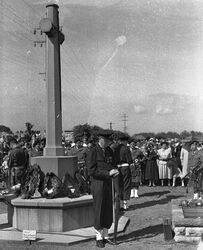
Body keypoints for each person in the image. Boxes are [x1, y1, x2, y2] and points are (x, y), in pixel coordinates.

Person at [86, 130, 119, 248]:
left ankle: (106, 235)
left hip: (109, 183)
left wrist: (115, 170)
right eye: (107, 140)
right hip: (98, 183)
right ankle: (99, 236)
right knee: (99, 208)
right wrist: (108, 173)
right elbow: (91, 171)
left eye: (109, 141)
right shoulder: (93, 151)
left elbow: (113, 164)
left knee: (108, 209)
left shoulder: (110, 150)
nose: (109, 143)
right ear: (101, 139)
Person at [114, 134, 133, 210]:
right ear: (125, 141)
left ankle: (120, 204)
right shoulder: (126, 148)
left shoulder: (116, 148)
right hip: (125, 167)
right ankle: (125, 204)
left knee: (119, 185)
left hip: (118, 167)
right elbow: (129, 160)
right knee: (126, 184)